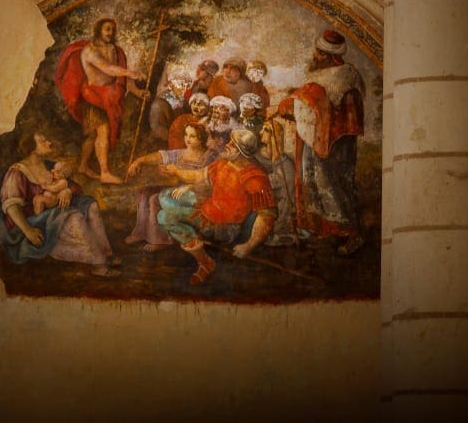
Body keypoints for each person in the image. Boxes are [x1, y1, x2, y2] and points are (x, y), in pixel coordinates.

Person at [274, 29, 365, 256]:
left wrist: (285, 105)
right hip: (325, 138)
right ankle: (326, 229)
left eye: (318, 52)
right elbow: (311, 99)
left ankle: (352, 234)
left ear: (325, 54)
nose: (314, 55)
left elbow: (311, 101)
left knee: (332, 184)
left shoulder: (338, 75)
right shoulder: (338, 75)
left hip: (331, 141)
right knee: (315, 182)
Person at [156, 129, 277, 285]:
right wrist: (178, 173)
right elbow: (200, 175)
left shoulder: (254, 177)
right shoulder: (225, 163)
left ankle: (205, 262)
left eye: (232, 145)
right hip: (209, 207)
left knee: (164, 217)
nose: (227, 145)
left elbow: (267, 216)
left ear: (242, 152)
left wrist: (249, 245)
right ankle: (191, 233)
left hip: (224, 226)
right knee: (164, 196)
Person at [0, 131, 121, 277]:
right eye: (43, 141)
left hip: (53, 211)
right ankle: (99, 263)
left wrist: (66, 191)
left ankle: (107, 253)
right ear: (32, 149)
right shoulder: (17, 172)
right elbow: (12, 207)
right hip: (34, 220)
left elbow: (73, 187)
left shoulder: (50, 166)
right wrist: (28, 230)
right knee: (75, 217)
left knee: (90, 205)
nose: (49, 143)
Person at [54, 17, 147, 184]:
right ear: (98, 30)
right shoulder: (90, 50)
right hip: (92, 96)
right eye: (107, 29)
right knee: (103, 130)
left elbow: (121, 78)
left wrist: (138, 92)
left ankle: (83, 166)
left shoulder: (116, 50)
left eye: (112, 29)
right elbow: (108, 68)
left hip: (109, 98)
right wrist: (130, 73)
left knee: (93, 136)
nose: (110, 33)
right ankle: (105, 172)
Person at [124, 122, 215, 252]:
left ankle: (160, 240)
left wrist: (189, 185)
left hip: (195, 194)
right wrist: (140, 161)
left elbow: (210, 182)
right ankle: (141, 231)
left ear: (201, 139)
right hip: (176, 191)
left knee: (154, 198)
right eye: (186, 135)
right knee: (145, 192)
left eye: (192, 136)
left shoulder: (208, 157)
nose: (187, 139)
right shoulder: (180, 153)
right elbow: (160, 156)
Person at [148, 70, 192, 147]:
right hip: (161, 142)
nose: (184, 88)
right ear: (171, 85)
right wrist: (175, 139)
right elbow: (156, 127)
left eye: (186, 85)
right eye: (181, 84)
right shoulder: (160, 102)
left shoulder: (183, 101)